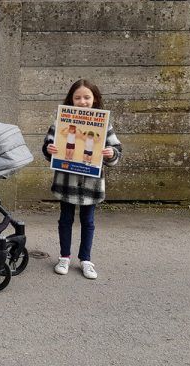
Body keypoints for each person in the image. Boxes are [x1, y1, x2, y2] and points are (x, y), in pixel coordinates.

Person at [41, 79, 122, 280]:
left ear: (94, 99)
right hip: (66, 181)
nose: (82, 101)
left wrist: (111, 153)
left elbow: (117, 150)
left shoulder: (105, 125)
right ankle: (64, 257)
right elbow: (48, 147)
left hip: (91, 183)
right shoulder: (60, 123)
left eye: (87, 97)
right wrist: (49, 150)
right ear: (71, 99)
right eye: (77, 97)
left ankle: (86, 259)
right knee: (65, 220)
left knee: (88, 221)